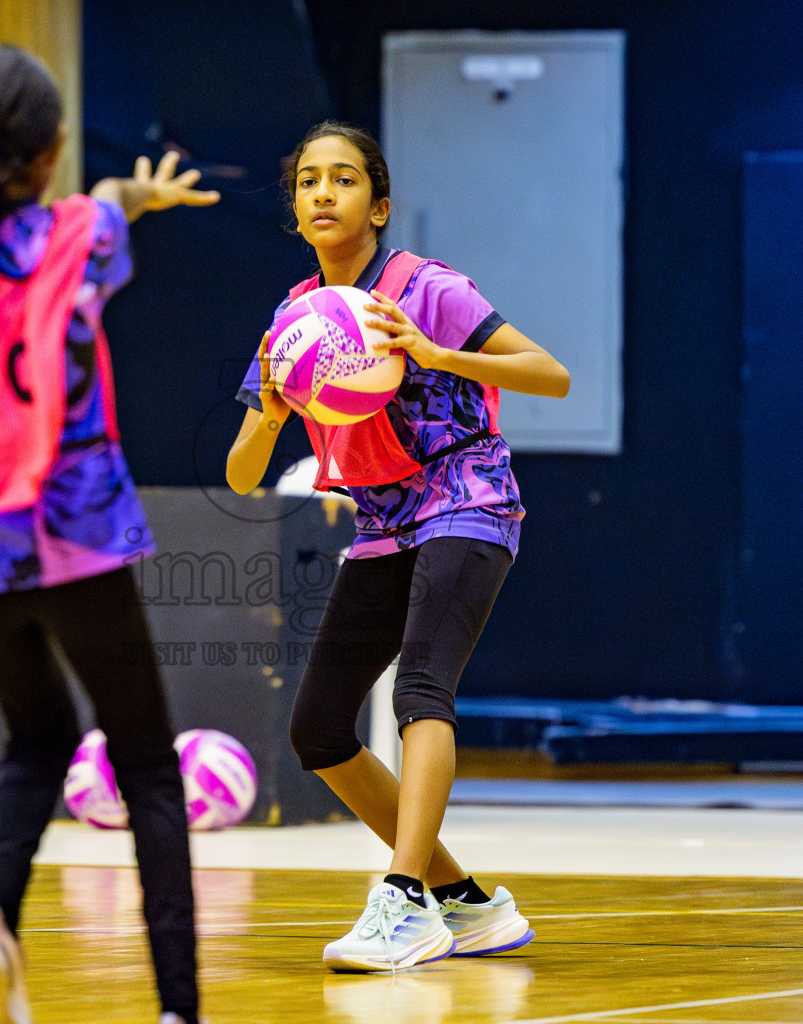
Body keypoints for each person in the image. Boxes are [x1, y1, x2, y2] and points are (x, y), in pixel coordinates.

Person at [0, 45, 218, 1024]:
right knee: (146, 762)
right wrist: (132, 193)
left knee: (36, 739)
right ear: (49, 150)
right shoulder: (84, 236)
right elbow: (104, 209)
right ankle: (178, 1011)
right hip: (73, 535)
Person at [225, 121, 571, 972]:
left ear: (378, 206)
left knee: (422, 690)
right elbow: (240, 476)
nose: (322, 194)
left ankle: (405, 898)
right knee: (317, 730)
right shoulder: (294, 322)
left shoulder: (427, 287)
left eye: (342, 180)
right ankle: (470, 905)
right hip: (384, 525)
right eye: (308, 181)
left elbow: (550, 373)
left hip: (467, 499)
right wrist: (270, 413)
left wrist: (433, 351)